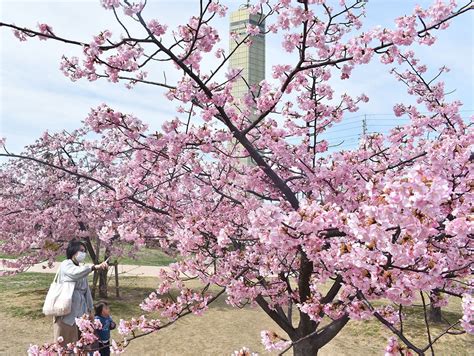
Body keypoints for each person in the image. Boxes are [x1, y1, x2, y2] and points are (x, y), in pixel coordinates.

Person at [53, 240, 108, 347]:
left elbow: (86, 291)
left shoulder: (80, 268)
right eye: (81, 250)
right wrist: (94, 267)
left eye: (84, 251)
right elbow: (74, 273)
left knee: (82, 343)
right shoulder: (66, 264)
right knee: (66, 343)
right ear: (73, 251)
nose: (83, 253)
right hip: (67, 311)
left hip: (81, 311)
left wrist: (90, 309)